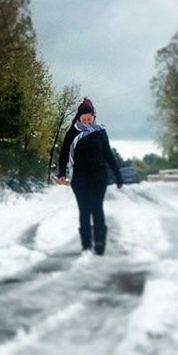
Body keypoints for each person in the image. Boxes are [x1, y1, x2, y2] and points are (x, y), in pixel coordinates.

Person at [56, 97, 123, 255]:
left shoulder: (100, 132)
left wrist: (118, 174)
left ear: (94, 117)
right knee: (84, 210)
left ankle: (100, 243)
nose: (86, 122)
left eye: (89, 118)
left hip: (98, 176)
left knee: (97, 208)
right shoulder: (73, 132)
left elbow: (108, 154)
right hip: (79, 178)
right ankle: (86, 244)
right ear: (79, 118)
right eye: (83, 119)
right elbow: (64, 153)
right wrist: (61, 173)